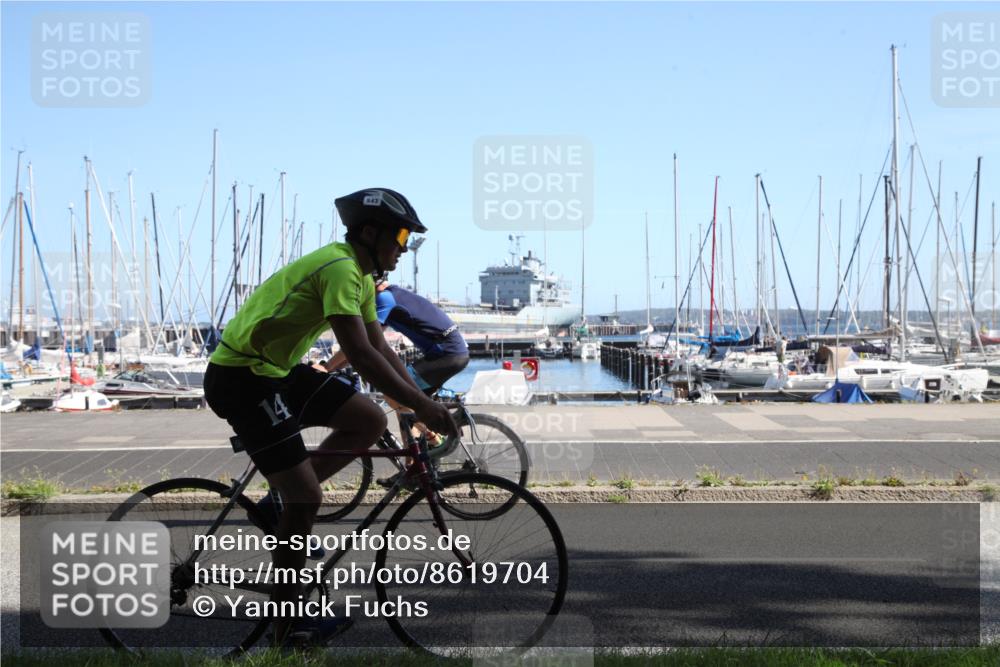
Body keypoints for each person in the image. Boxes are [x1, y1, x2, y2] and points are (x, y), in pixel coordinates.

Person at [203, 187, 456, 648]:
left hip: (274, 371)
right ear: (368, 231)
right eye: (400, 234)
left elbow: (379, 347)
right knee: (306, 499)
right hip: (242, 377)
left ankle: (277, 503)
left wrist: (417, 398)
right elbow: (359, 354)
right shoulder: (340, 268)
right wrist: (422, 406)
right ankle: (287, 631)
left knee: (369, 420)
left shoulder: (359, 275)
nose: (403, 245)